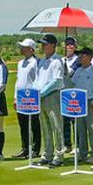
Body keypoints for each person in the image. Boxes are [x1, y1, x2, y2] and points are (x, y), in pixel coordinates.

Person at [34, 34, 67, 167]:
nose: (43, 46)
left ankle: (59, 155)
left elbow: (57, 81)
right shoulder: (42, 61)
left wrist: (42, 92)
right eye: (42, 44)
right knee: (45, 127)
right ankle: (47, 154)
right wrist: (35, 92)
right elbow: (38, 79)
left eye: (45, 44)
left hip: (53, 95)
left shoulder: (57, 61)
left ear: (53, 46)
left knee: (56, 126)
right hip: (40, 97)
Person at [68, 45, 93, 162]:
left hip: (90, 102)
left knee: (92, 130)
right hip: (79, 103)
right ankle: (82, 154)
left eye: (82, 55)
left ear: (89, 57)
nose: (79, 58)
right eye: (79, 56)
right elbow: (72, 84)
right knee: (80, 130)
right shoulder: (78, 71)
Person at [12, 38, 41, 160]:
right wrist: (15, 97)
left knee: (34, 124)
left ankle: (35, 149)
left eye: (24, 47)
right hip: (21, 97)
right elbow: (18, 81)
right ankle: (25, 148)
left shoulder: (36, 62)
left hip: (32, 97)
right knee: (23, 124)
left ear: (31, 49)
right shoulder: (20, 63)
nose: (22, 49)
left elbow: (37, 80)